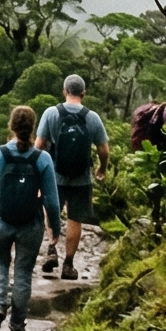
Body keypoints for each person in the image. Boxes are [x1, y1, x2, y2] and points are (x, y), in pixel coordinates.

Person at [0, 104, 58, 331]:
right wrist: (56, 229)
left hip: (1, 221)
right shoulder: (43, 159)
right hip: (31, 225)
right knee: (22, 273)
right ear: (33, 128)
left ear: (11, 125)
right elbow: (51, 199)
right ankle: (17, 327)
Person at [36, 74, 111, 282]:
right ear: (83, 94)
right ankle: (68, 265)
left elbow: (39, 146)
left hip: (54, 176)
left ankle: (51, 248)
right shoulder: (92, 117)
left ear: (64, 91)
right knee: (74, 219)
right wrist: (102, 169)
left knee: (51, 211)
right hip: (82, 178)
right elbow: (103, 149)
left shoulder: (51, 113)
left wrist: (36, 172)